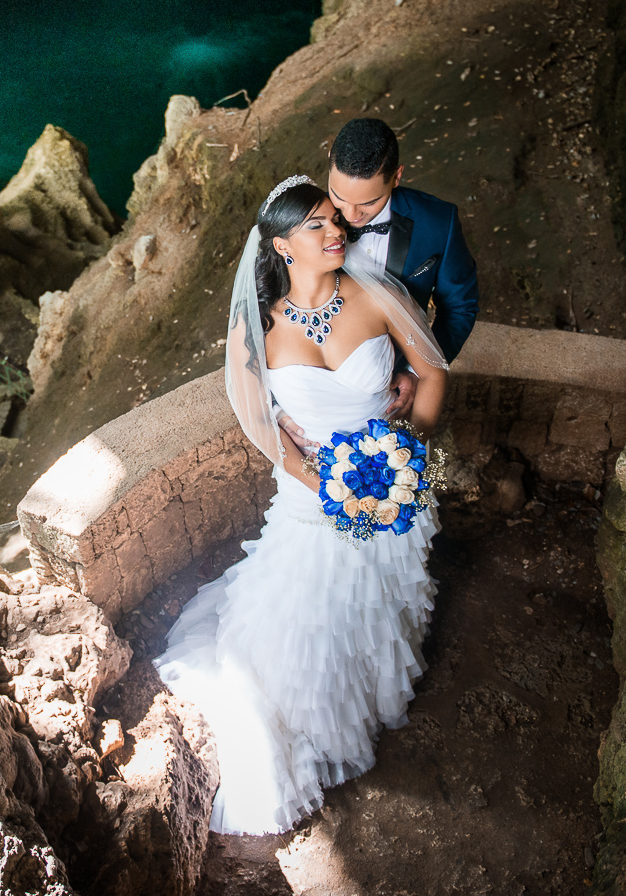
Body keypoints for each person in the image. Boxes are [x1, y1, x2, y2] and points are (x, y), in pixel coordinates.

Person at [154, 175, 450, 835]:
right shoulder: (259, 327)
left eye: (333, 221)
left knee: (379, 598)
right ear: (282, 247)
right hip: (312, 494)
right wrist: (327, 487)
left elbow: (429, 373)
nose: (334, 233)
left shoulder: (373, 295)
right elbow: (261, 423)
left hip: (390, 479)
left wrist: (410, 450)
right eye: (316, 226)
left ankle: (375, 692)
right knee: (311, 615)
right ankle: (316, 709)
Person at [317, 117, 478, 421]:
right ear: (330, 163)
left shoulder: (438, 224)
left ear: (397, 176)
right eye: (338, 196)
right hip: (318, 388)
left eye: (369, 202)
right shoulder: (301, 221)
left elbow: (459, 307)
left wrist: (419, 371)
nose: (349, 215)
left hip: (395, 393)